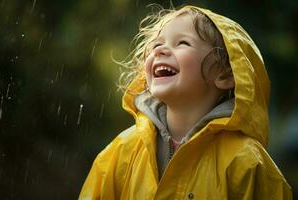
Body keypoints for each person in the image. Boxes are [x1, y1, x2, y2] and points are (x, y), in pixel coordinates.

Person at [79, 5, 292, 199]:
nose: (159, 51)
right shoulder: (122, 151)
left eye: (182, 43)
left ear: (225, 75)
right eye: (156, 45)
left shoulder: (246, 163)